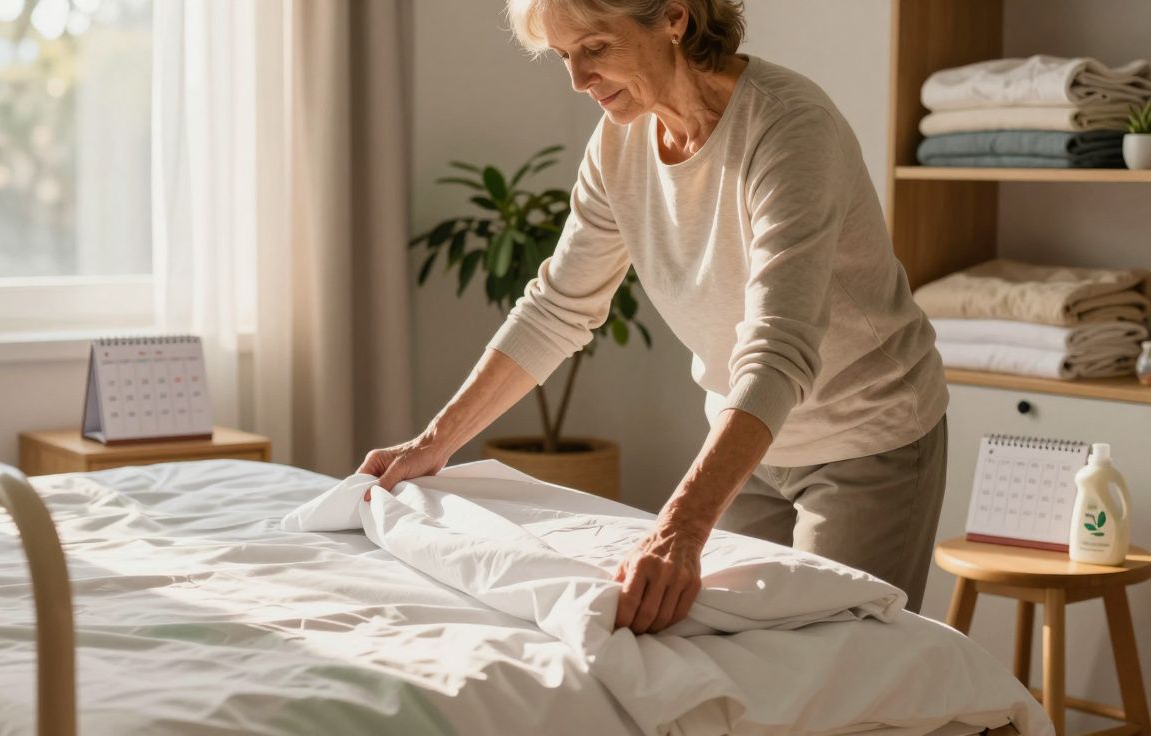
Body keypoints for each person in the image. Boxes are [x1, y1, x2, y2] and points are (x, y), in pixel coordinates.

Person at [358, 0, 949, 634]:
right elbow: (557, 307)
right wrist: (433, 443)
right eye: (563, 56)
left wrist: (678, 528)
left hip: (866, 436)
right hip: (751, 443)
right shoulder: (620, 144)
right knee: (722, 655)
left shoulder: (789, 128)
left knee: (839, 671)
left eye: (595, 48)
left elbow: (778, 349)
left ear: (674, 17)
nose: (577, 80)